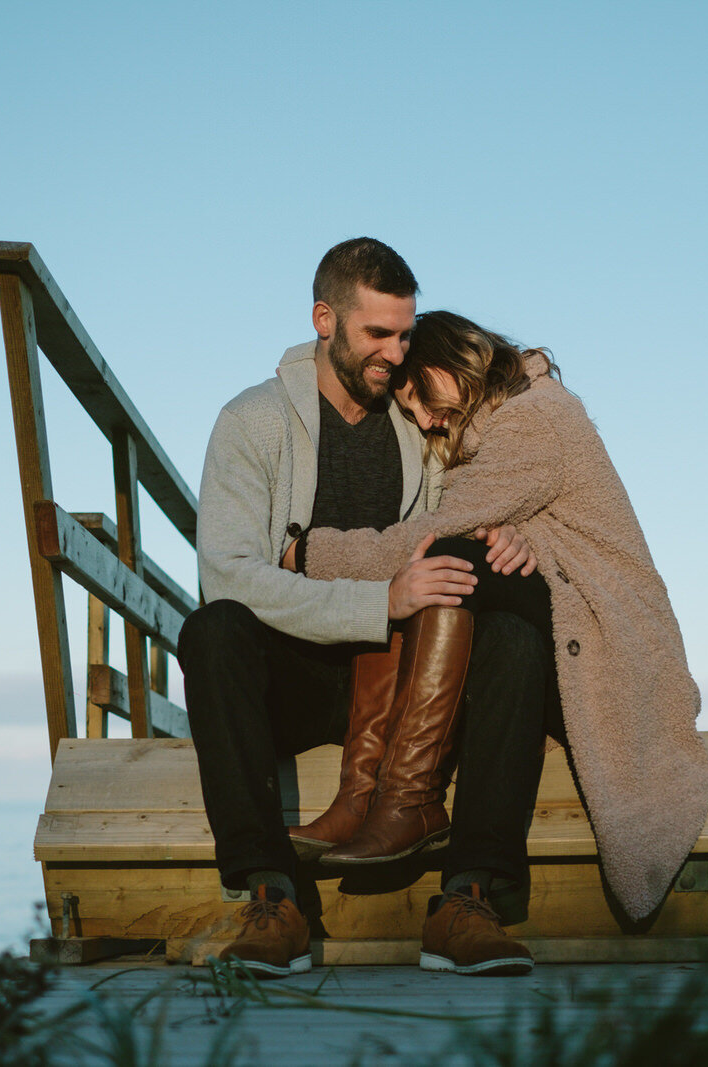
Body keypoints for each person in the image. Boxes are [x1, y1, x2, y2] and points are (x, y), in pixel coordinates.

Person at [177, 239, 547, 979]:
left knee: (513, 635)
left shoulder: (419, 419)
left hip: (414, 684)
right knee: (211, 631)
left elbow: (481, 500)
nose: (396, 351)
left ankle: (468, 899)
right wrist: (378, 601)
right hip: (303, 678)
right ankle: (273, 897)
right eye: (378, 333)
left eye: (405, 332)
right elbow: (229, 575)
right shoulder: (251, 421)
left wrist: (511, 532)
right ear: (325, 319)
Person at [293, 310, 708, 933]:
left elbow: (434, 534)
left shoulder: (534, 416)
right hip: (556, 635)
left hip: (610, 648)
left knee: (443, 560)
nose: (425, 421)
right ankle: (476, 882)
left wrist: (308, 553)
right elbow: (516, 514)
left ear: (449, 361)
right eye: (410, 415)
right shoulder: (494, 428)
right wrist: (519, 534)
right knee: (508, 636)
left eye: (420, 400)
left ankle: (407, 798)